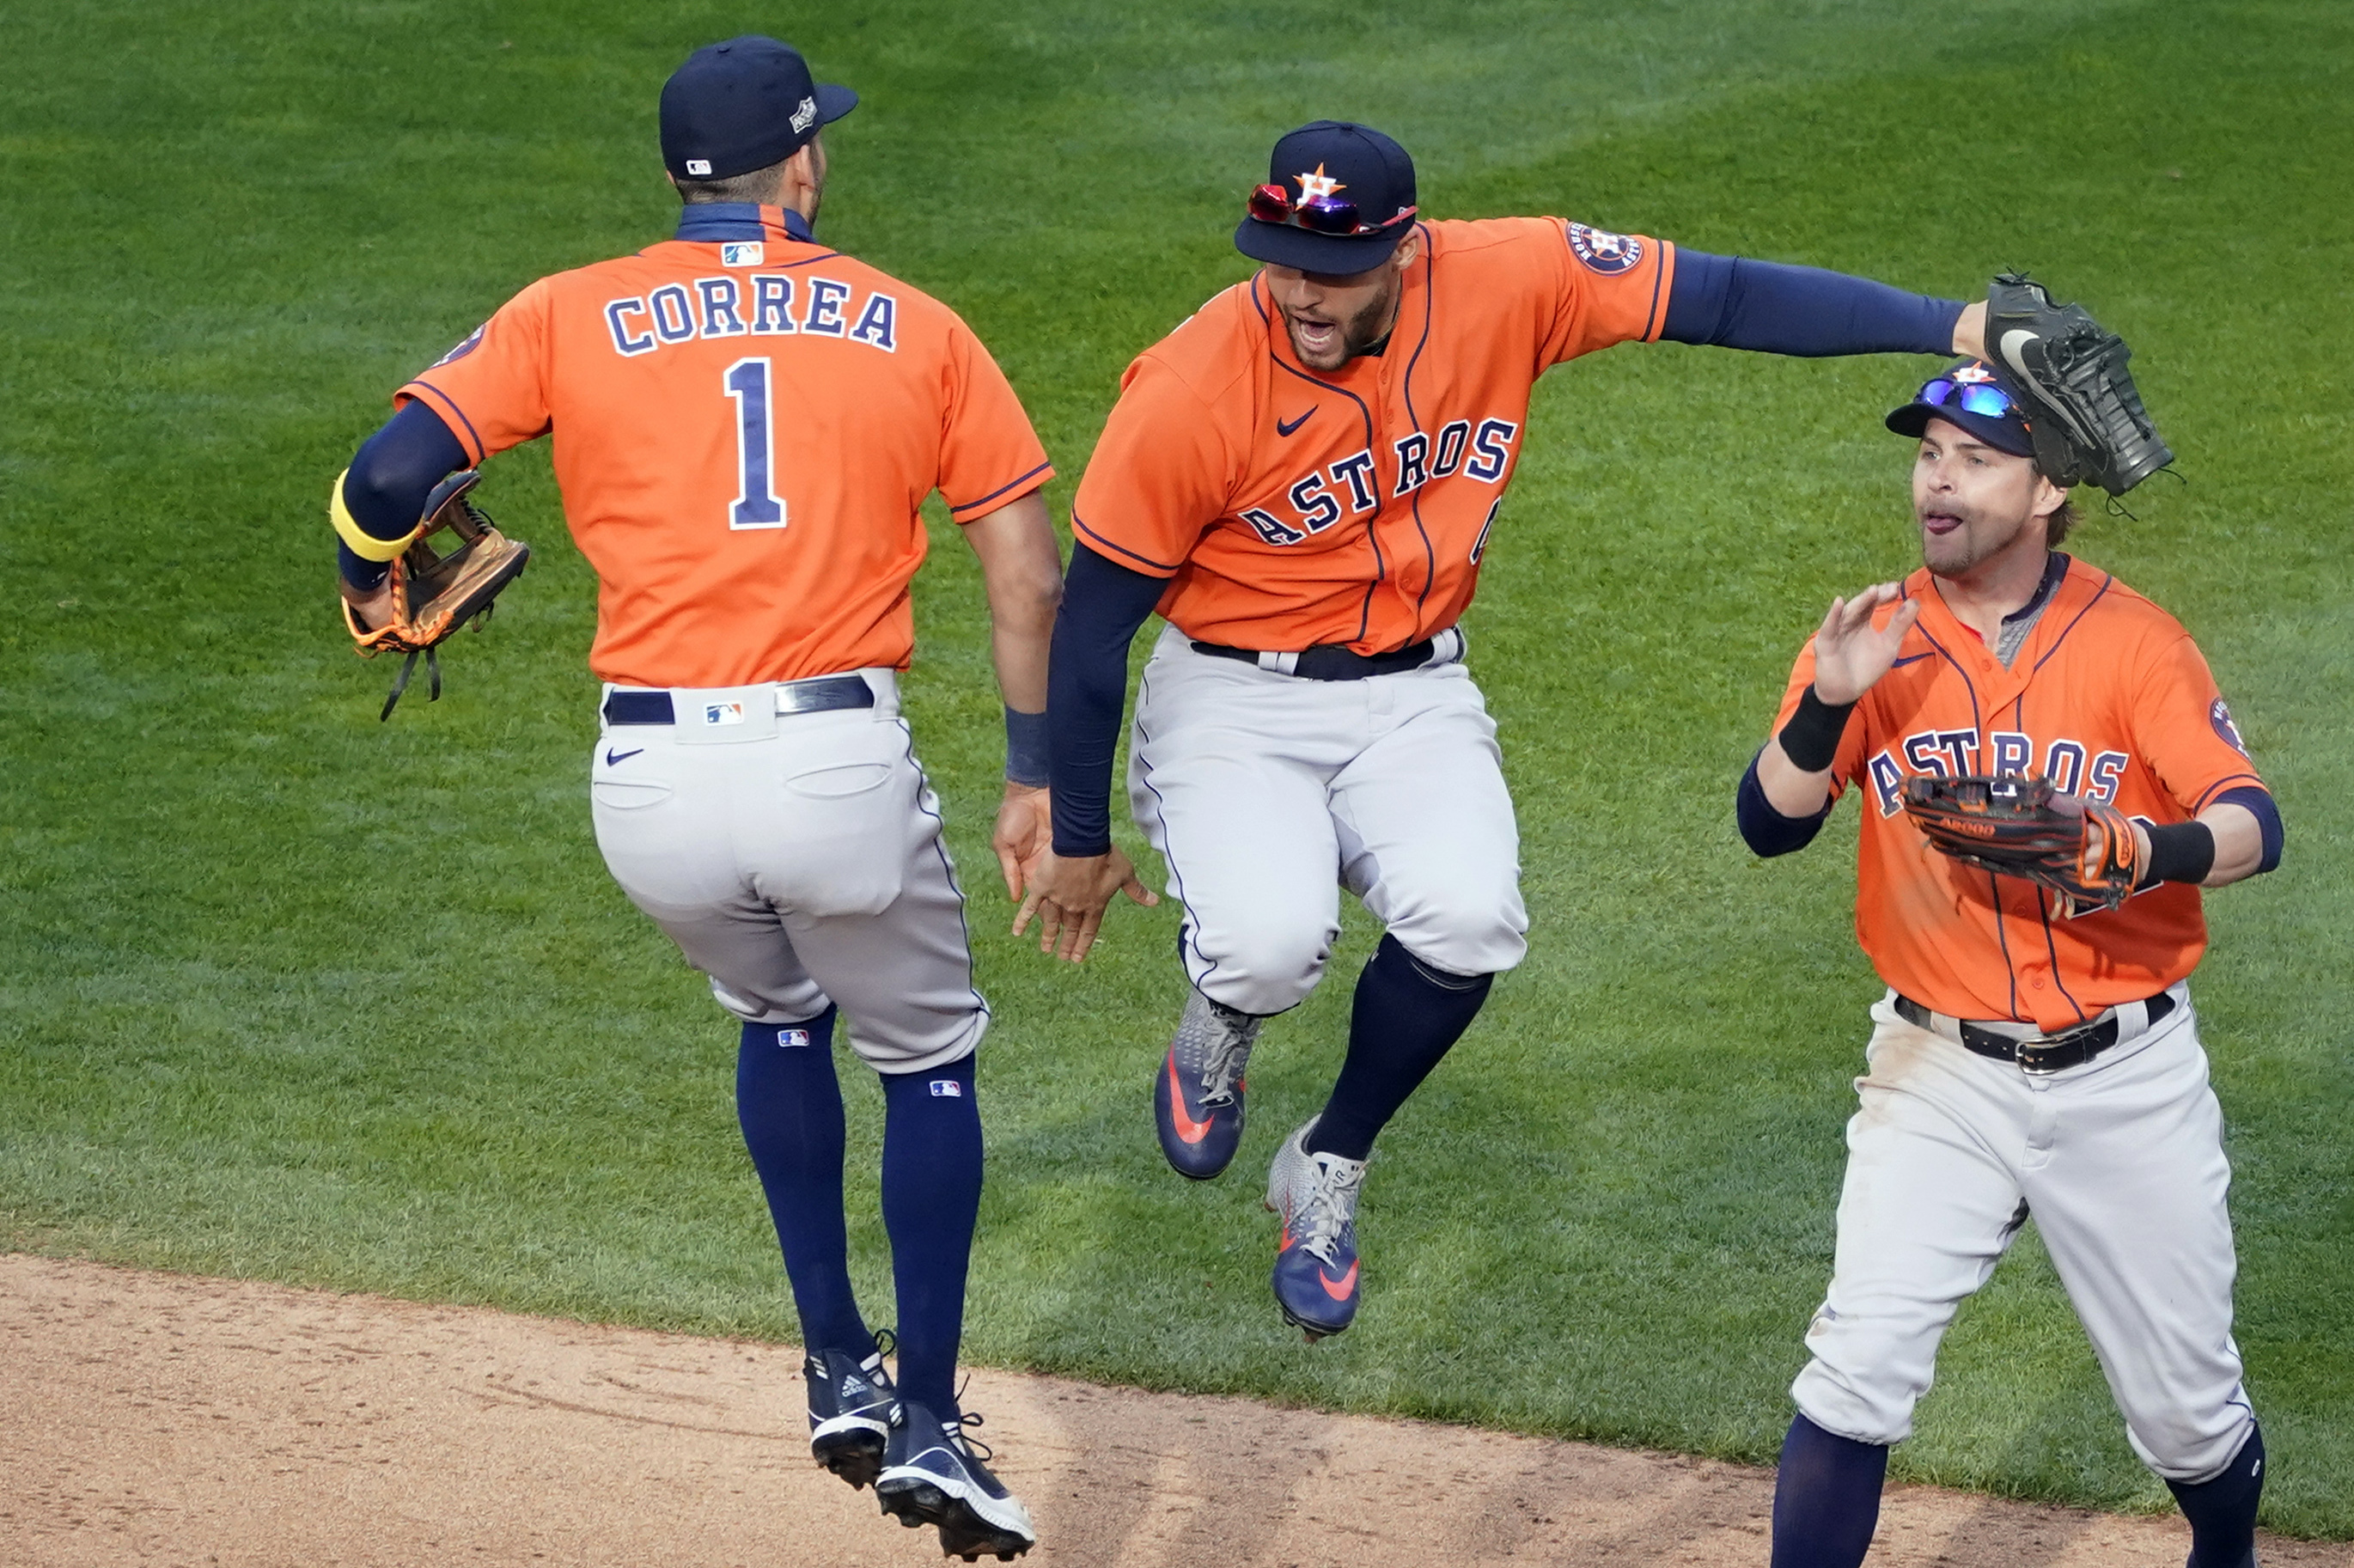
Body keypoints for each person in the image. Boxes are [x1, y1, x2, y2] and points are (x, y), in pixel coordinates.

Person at [1019, 118, 2006, 1340]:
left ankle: (1328, 1163)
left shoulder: (1509, 277)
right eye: (1279, 259)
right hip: (1234, 693)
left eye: (1334, 271)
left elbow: (1728, 297)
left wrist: (1950, 325)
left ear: (1406, 250)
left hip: (1414, 685)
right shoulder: (1189, 389)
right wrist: (1072, 827)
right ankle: (1221, 1014)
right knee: (1270, 944)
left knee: (1473, 920)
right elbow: (1089, 629)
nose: (1302, 295)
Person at [325, 37, 1057, 1560]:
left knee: (777, 1015)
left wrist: (363, 579)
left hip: (646, 784)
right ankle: (928, 1415)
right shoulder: (915, 325)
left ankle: (829, 1360)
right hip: (833, 760)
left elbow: (385, 483)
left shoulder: (563, 311)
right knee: (925, 1054)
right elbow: (1025, 575)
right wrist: (1039, 775)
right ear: (804, 168)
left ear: (680, 179)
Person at [1738, 361, 2283, 1568]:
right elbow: (1769, 822)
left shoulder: (2137, 642)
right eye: (1930, 453)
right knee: (1856, 1365)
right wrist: (1829, 705)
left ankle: (2228, 1552)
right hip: (1938, 1064)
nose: (1940, 478)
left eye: (1975, 459)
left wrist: (2144, 847)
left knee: (2187, 1414)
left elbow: (2256, 823)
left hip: (2124, 1075)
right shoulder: (1877, 639)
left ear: (2045, 490)